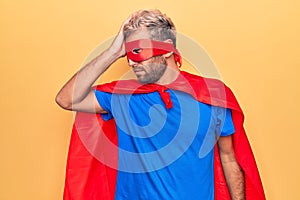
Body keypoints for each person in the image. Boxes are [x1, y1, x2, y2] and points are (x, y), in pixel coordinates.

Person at [56, 9, 265, 200]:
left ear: (166, 49)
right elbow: (66, 99)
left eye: (137, 51)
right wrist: (112, 52)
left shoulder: (212, 95)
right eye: (126, 54)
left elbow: (228, 158)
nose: (130, 62)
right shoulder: (122, 96)